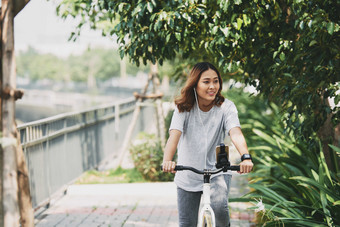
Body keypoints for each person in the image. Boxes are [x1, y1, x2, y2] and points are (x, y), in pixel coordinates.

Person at [162, 62, 253, 227]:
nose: (212, 86)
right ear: (195, 84)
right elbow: (173, 136)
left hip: (217, 171)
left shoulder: (226, 107)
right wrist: (167, 160)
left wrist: (245, 157)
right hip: (188, 172)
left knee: (219, 210)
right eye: (206, 82)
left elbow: (235, 132)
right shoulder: (183, 108)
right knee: (186, 223)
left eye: (216, 81)